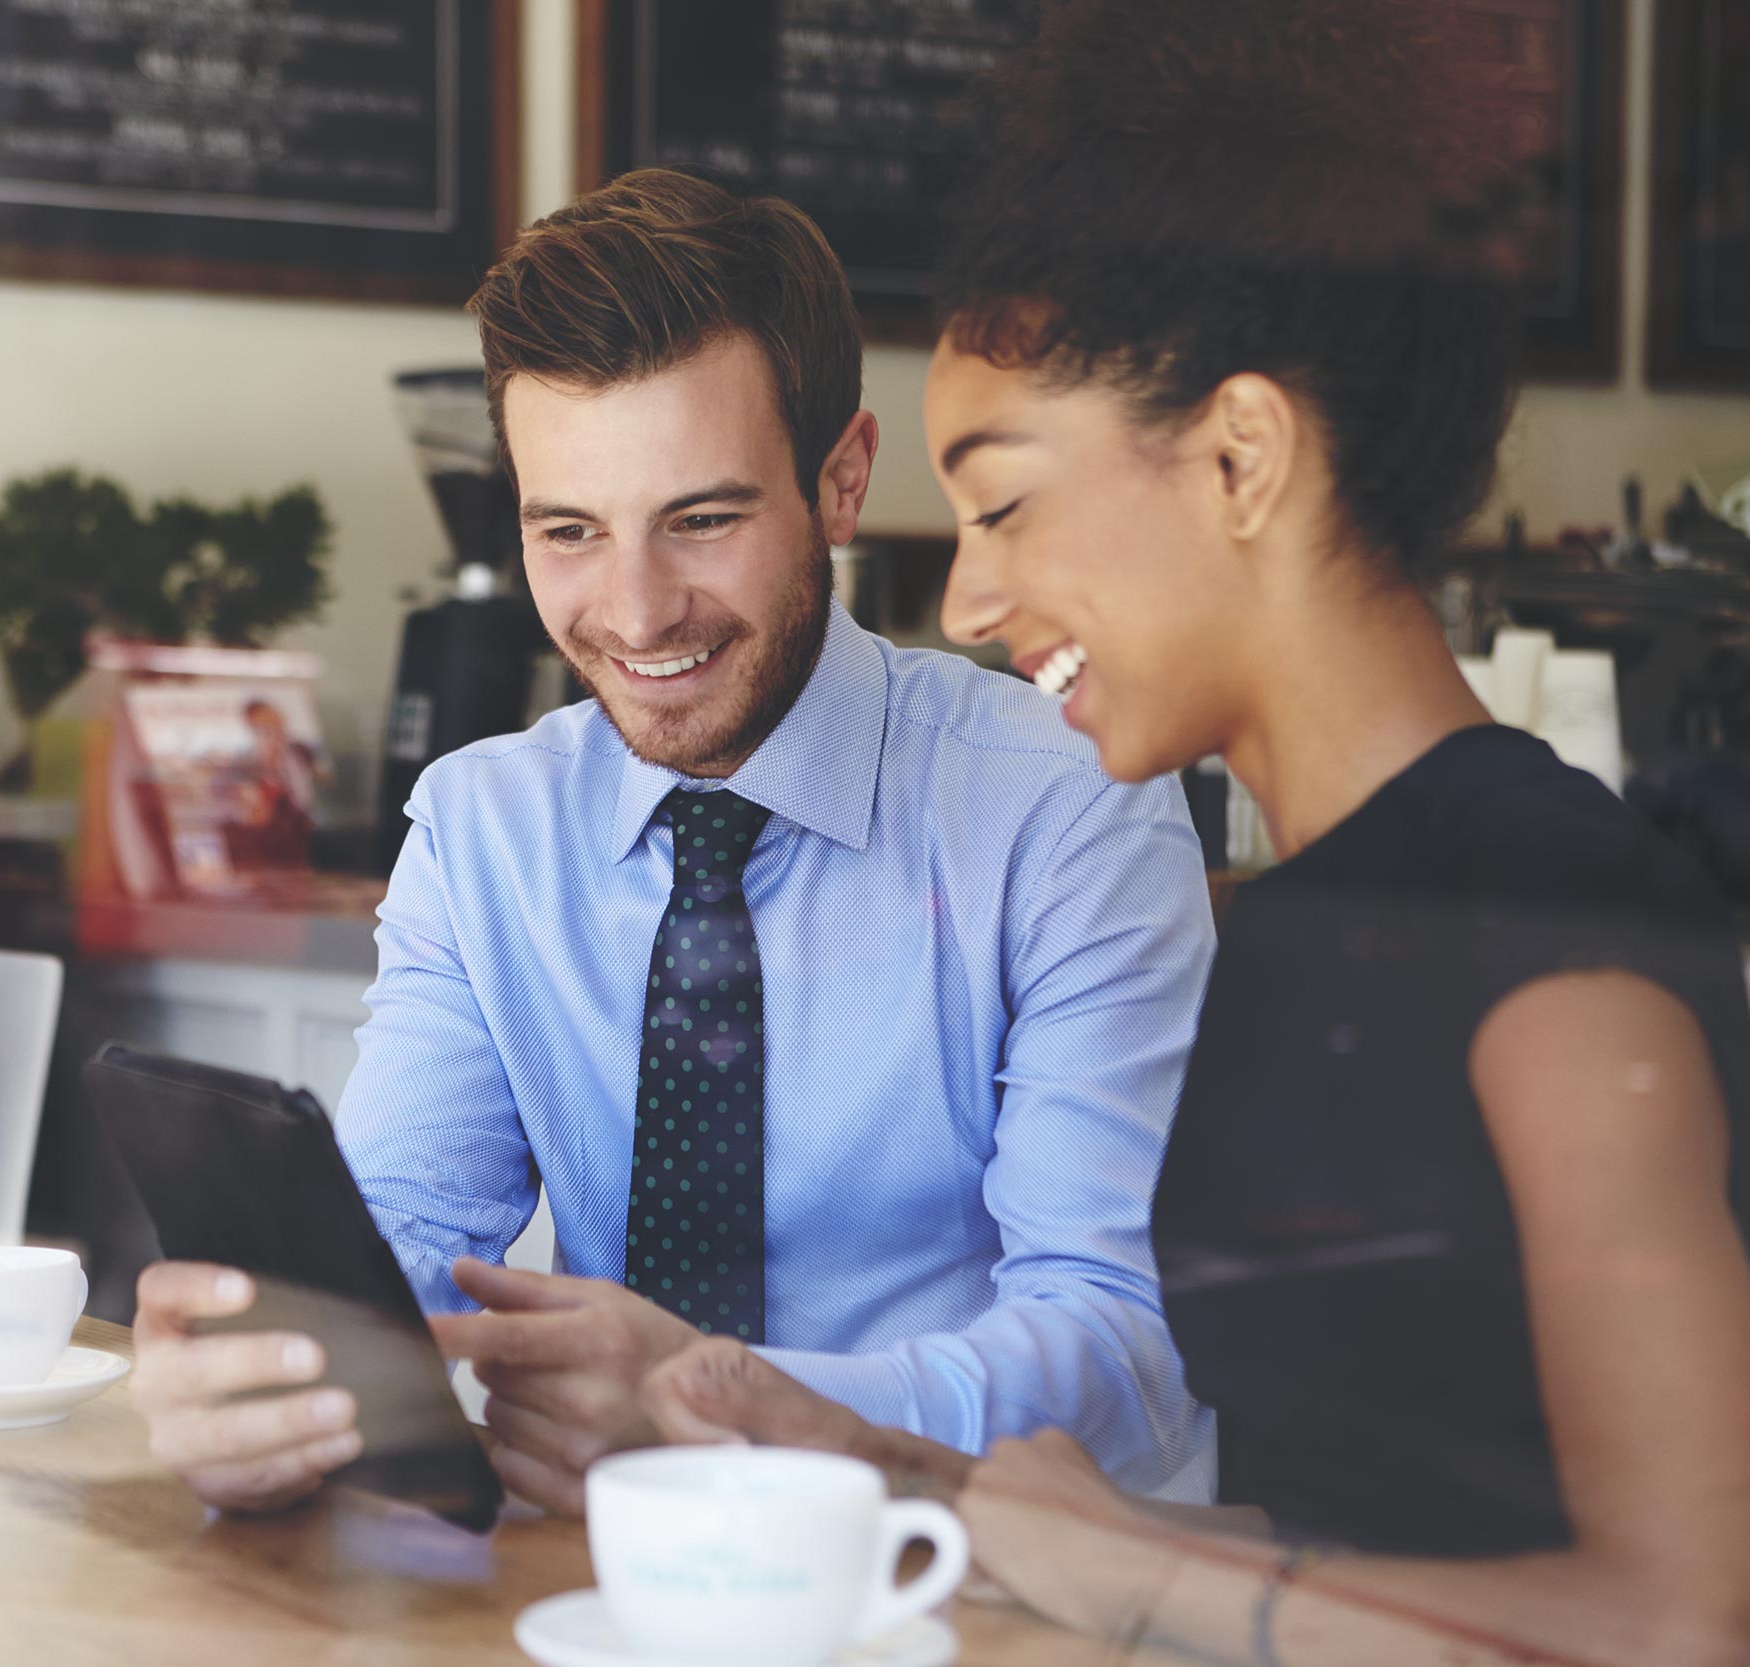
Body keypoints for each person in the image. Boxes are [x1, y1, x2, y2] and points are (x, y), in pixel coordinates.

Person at [637, 3, 1750, 1663]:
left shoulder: (1532, 911)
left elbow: (1686, 1614)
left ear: (1241, 456)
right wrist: (901, 1473)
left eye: (1006, 503)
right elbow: (1388, 1538)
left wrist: (1132, 1571)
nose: (970, 595)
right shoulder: (1307, 921)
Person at [131, 170, 1220, 1518]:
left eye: (703, 518)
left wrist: (732, 1404)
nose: (637, 612)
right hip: (615, 1578)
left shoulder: (1071, 805)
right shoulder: (485, 832)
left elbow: (1122, 1341)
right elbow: (397, 1239)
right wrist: (270, 1365)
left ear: (840, 482)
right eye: (569, 531)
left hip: (976, 1581)